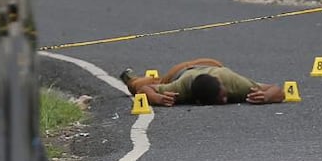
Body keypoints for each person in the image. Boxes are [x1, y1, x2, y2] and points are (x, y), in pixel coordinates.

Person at [120, 58, 285, 107]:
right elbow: (144, 89)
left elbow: (279, 90)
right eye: (221, 101)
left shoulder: (233, 82)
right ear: (197, 100)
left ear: (222, 86)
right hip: (180, 71)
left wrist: (266, 96)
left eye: (224, 96)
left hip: (211, 63)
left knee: (155, 84)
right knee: (146, 83)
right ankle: (130, 77)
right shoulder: (181, 88)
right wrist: (158, 99)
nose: (226, 100)